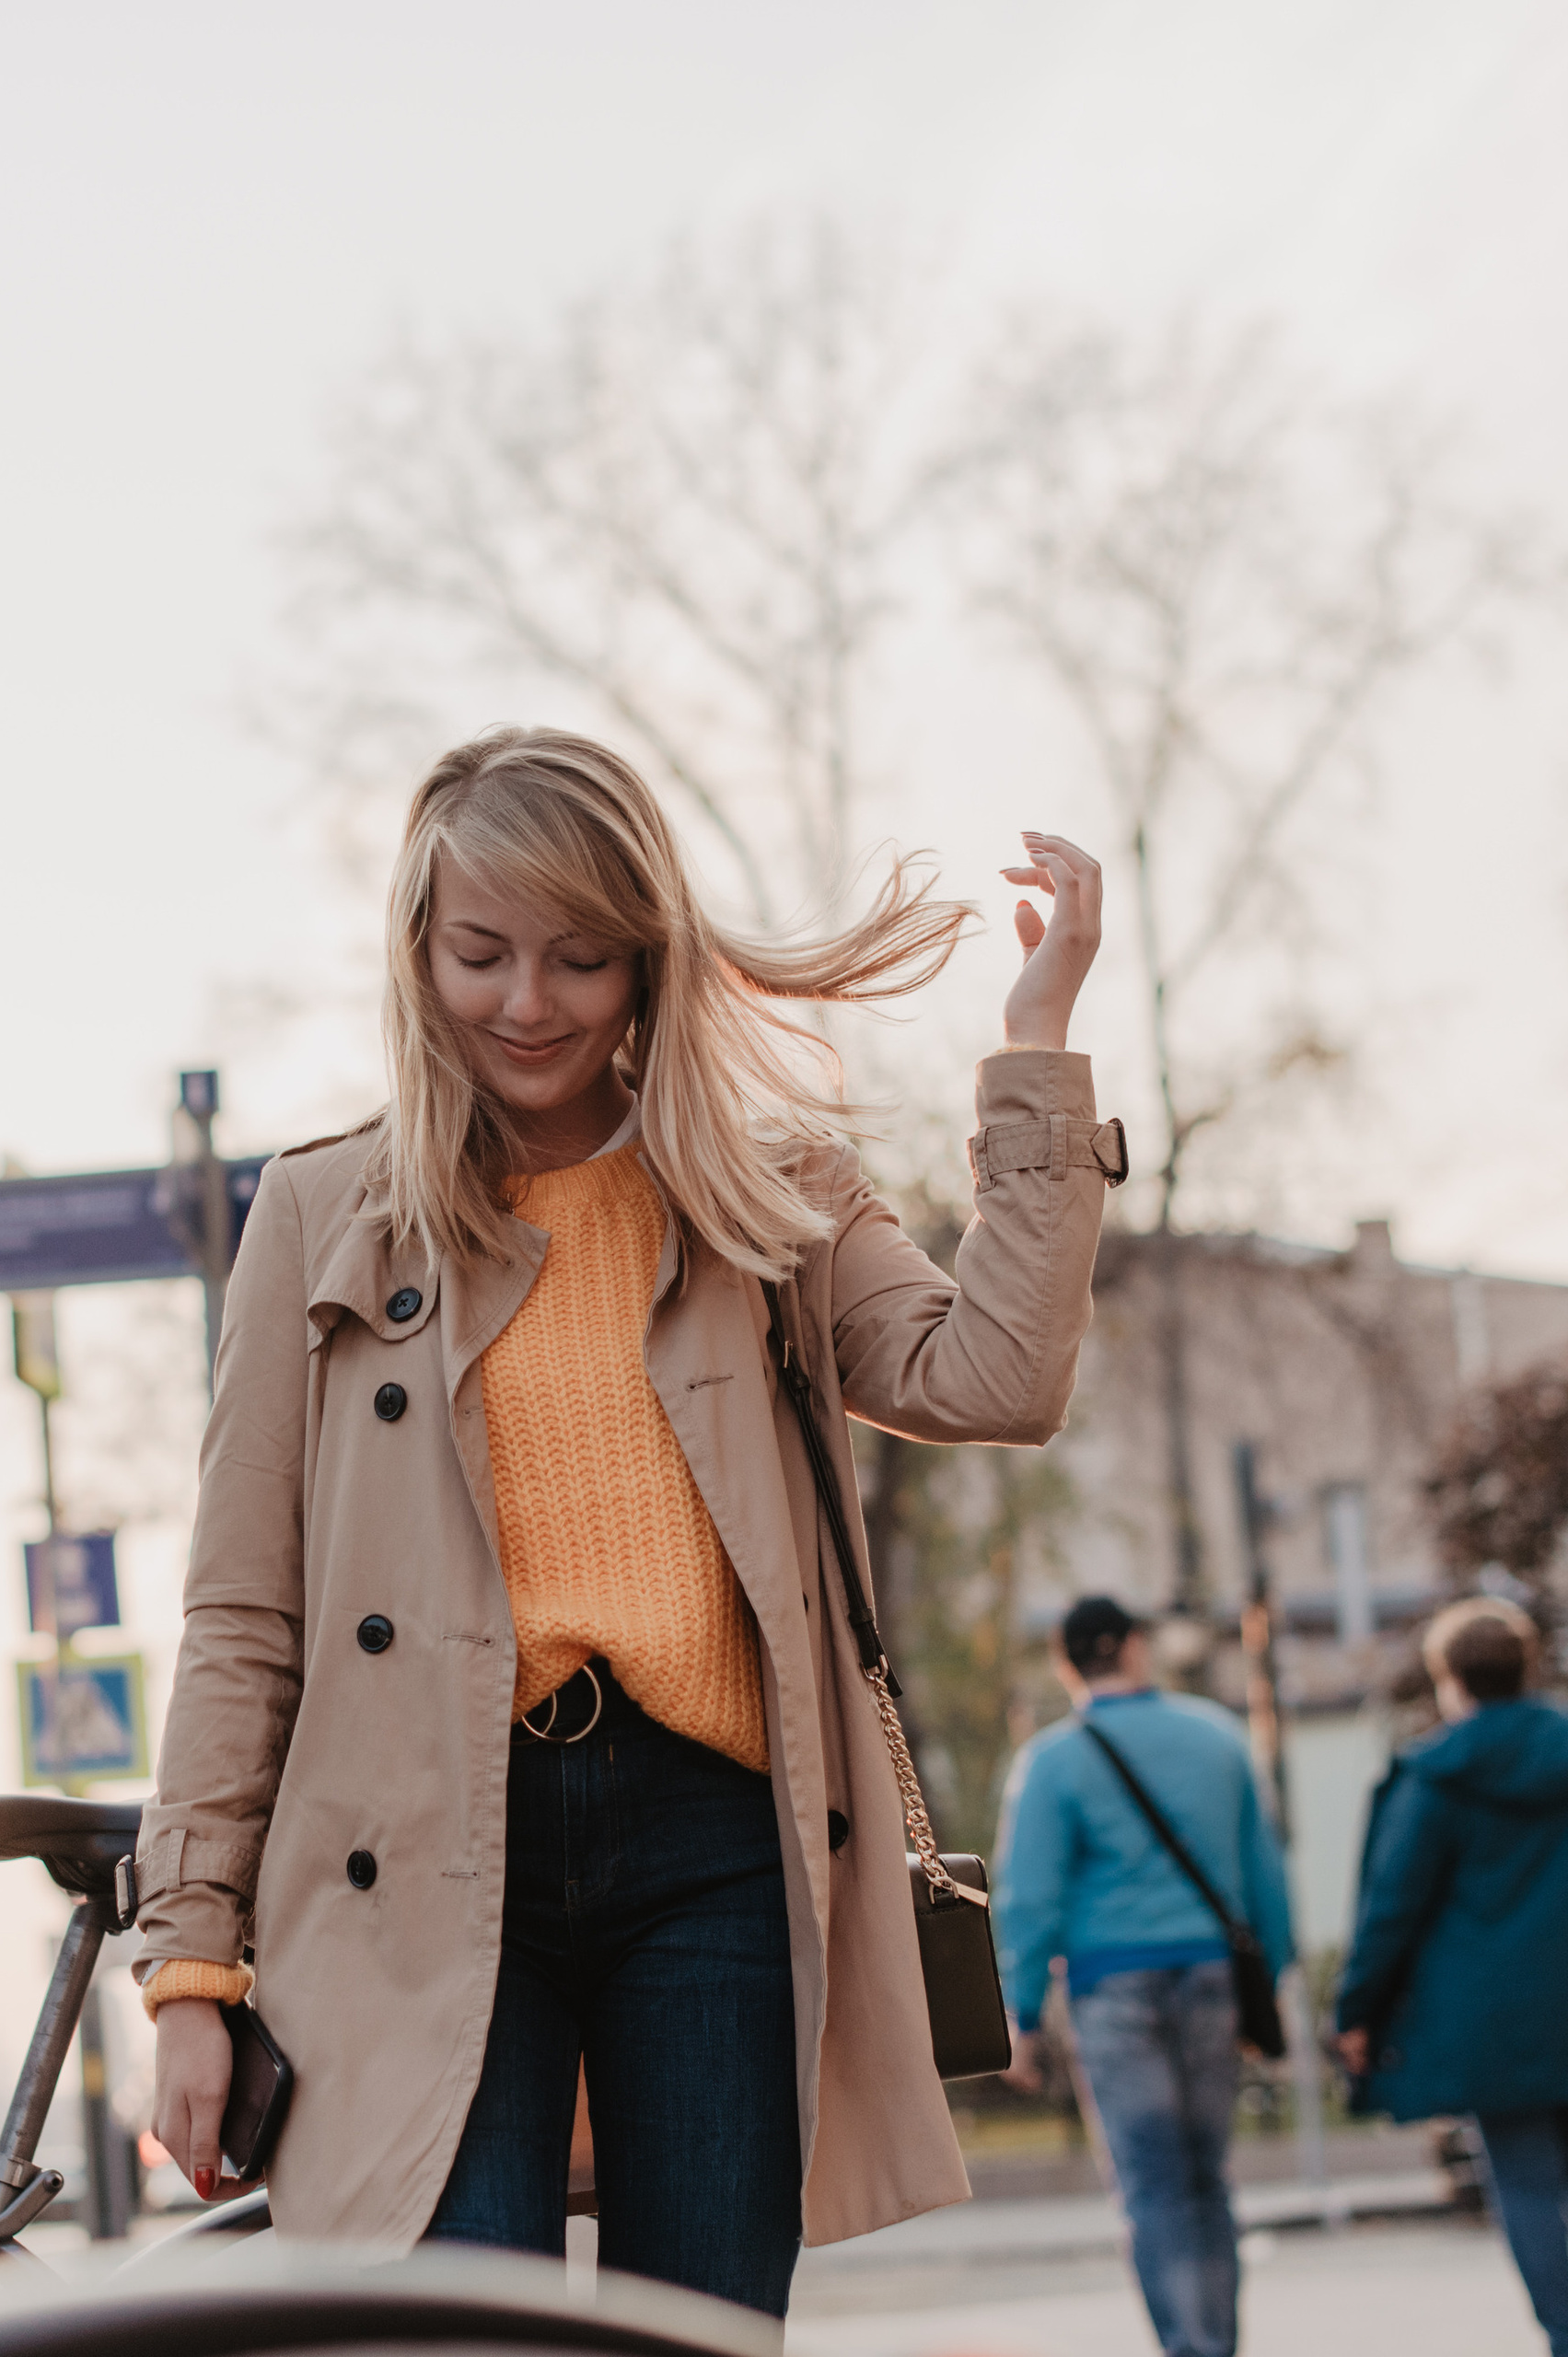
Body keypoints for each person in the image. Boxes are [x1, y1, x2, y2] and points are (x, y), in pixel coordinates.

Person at [134, 726, 1121, 2313]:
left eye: (580, 958)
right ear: (418, 951)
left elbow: (995, 1376)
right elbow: (244, 1614)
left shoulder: (767, 1193)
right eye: (482, 954)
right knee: (471, 2332)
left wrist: (1038, 1055)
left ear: (648, 959)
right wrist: (190, 1967)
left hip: (712, 1843)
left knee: (701, 2333)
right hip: (418, 1844)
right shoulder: (321, 1213)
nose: (528, 1003)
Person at [993, 1596, 1293, 2357]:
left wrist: (1020, 2015)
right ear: (1134, 1648)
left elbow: (1030, 1900)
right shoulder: (1217, 1737)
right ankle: (1217, 2344)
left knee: (1152, 2184)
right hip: (1211, 1979)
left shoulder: (1053, 1761)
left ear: (1066, 1665)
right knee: (1207, 2176)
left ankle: (1189, 2346)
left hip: (1111, 1989)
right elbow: (1265, 1876)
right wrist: (1271, 1987)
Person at [1336, 1598, 1568, 2357]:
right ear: (1525, 1668)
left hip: (1494, 2024)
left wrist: (1356, 2009)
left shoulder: (1435, 1777)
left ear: (1449, 1680)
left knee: (1527, 2184)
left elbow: (1392, 1909)